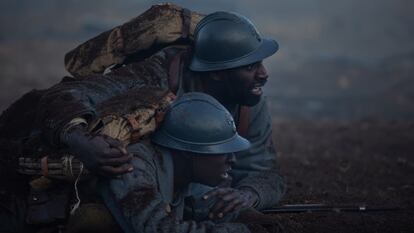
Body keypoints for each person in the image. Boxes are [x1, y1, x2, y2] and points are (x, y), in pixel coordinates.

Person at [4, 8, 284, 223]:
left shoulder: (248, 100)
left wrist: (247, 196)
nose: (264, 74)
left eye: (260, 63)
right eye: (250, 66)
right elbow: (64, 97)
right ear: (219, 73)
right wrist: (81, 141)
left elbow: (264, 172)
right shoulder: (153, 77)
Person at [99, 92, 253, 233]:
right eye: (223, 152)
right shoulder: (132, 167)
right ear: (188, 152)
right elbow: (158, 229)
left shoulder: (185, 172)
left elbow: (210, 203)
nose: (232, 159)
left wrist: (255, 219)